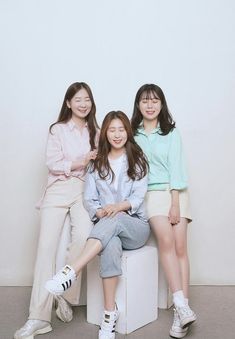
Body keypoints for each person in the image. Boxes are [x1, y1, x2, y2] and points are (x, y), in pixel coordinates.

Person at [45, 111, 150, 339]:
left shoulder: (138, 159)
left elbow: (138, 198)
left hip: (136, 227)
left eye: (121, 129)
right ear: (105, 133)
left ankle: (71, 270)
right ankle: (109, 316)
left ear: (127, 132)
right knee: (110, 244)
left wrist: (116, 207)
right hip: (109, 227)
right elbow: (89, 200)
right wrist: (100, 211)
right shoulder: (96, 164)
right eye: (111, 130)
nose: (116, 134)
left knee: (115, 219)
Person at [14, 82, 99, 339]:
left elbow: (101, 164)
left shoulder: (95, 131)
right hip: (58, 188)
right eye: (78, 99)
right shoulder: (58, 130)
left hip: (84, 190)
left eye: (87, 100)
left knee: (84, 239)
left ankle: (63, 293)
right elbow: (52, 163)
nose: (83, 104)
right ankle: (38, 317)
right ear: (68, 103)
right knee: (46, 248)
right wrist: (80, 161)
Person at [131, 84, 197, 339]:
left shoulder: (171, 133)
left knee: (181, 246)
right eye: (145, 101)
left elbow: (177, 167)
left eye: (155, 100)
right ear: (138, 105)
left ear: (162, 104)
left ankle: (182, 312)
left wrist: (175, 202)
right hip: (151, 195)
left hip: (176, 193)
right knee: (167, 242)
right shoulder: (132, 135)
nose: (150, 105)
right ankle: (181, 306)